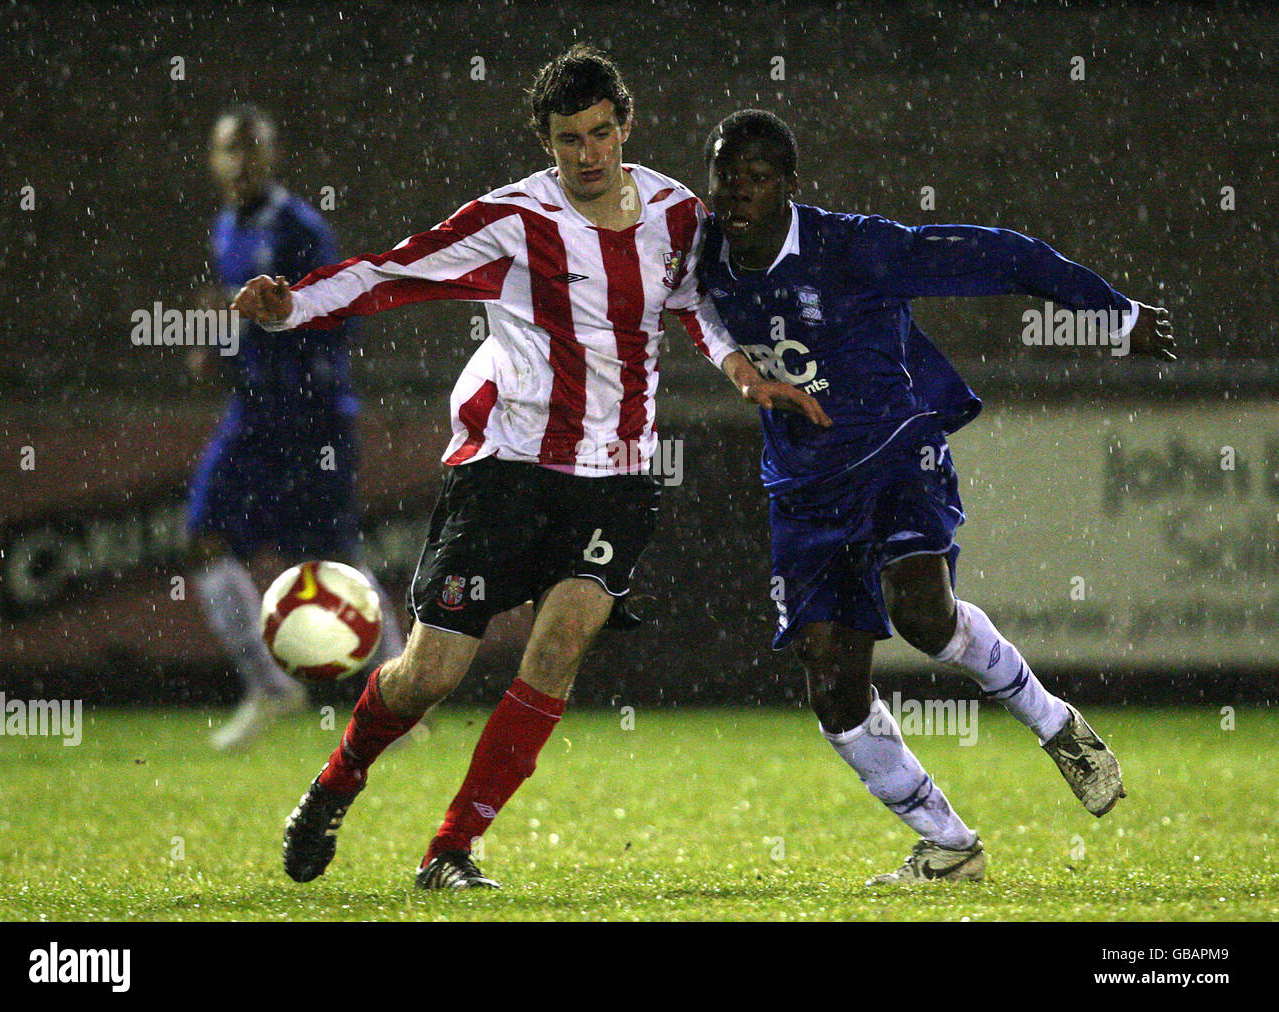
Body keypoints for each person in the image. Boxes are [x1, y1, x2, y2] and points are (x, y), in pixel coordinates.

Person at [232, 48, 827, 889]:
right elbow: (391, 272)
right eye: (566, 140)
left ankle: (451, 850)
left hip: (618, 474)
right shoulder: (512, 220)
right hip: (507, 467)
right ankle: (338, 781)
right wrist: (293, 305)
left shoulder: (677, 214)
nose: (587, 155)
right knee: (431, 673)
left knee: (556, 651)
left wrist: (742, 374)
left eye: (599, 133)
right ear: (546, 143)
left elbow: (697, 306)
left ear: (626, 123)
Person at [696, 109, 1175, 884]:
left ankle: (1054, 724)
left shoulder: (854, 249)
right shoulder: (699, 250)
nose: (738, 194)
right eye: (726, 178)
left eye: (756, 178)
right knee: (832, 685)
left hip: (895, 453)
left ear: (789, 186)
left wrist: (1111, 315)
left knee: (921, 615)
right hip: (803, 488)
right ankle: (949, 845)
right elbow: (683, 308)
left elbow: (1001, 256)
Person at [190, 105, 406, 751]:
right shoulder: (226, 228)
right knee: (203, 537)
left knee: (337, 560)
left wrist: (265, 328)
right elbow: (246, 325)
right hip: (254, 416)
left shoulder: (299, 226)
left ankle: (400, 698)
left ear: (272, 155)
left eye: (253, 148)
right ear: (214, 159)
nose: (243, 161)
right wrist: (220, 346)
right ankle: (270, 685)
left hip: (309, 418)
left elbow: (338, 312)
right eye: (231, 149)